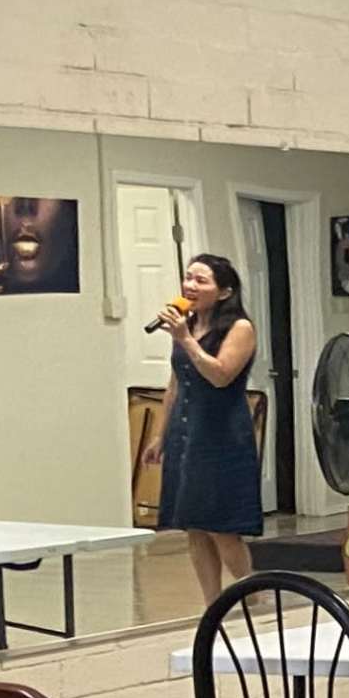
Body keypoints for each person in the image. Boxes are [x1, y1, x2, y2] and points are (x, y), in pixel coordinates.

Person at [152, 251, 262, 602]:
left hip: (221, 436)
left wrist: (186, 339)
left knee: (222, 527)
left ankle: (251, 595)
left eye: (201, 280)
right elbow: (176, 382)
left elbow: (220, 375)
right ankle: (211, 605)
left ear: (225, 292)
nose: (190, 286)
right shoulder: (187, 322)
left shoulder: (239, 328)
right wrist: (160, 434)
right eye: (188, 277)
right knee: (194, 526)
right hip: (187, 433)